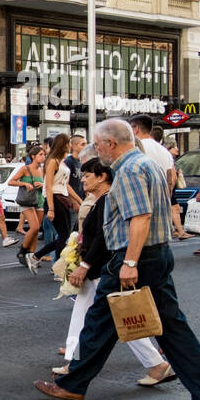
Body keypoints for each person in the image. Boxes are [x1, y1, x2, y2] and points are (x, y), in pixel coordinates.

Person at [36, 119, 200, 400]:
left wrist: (129, 262)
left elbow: (140, 217)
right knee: (170, 327)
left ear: (111, 143)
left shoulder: (127, 170)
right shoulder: (146, 163)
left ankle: (73, 385)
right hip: (156, 254)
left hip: (135, 257)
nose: (97, 150)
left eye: (99, 144)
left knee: (100, 321)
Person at [52, 153, 174, 386]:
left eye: (87, 175)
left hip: (102, 269)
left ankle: (74, 365)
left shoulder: (107, 200)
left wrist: (85, 265)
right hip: (100, 269)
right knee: (113, 318)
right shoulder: (102, 200)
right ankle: (155, 365)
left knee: (118, 318)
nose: (83, 180)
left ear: (102, 177)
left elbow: (102, 239)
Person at [32, 134, 76, 267]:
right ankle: (57, 265)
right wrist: (51, 208)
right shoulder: (52, 161)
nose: (71, 145)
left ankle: (36, 256)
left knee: (65, 235)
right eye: (69, 142)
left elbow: (65, 185)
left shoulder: (62, 161)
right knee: (63, 235)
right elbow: (48, 185)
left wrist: (78, 200)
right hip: (55, 199)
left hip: (63, 198)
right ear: (64, 144)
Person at [7, 144, 47, 271]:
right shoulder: (25, 169)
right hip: (27, 200)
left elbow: (48, 184)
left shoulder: (43, 170)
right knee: (34, 226)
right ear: (33, 156)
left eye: (44, 154)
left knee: (36, 230)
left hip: (39, 200)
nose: (43, 157)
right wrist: (25, 183)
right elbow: (11, 181)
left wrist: (42, 184)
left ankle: (32, 256)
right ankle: (22, 251)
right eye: (41, 155)